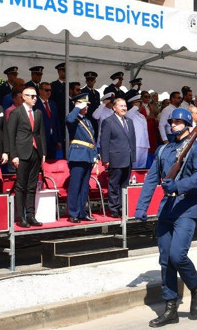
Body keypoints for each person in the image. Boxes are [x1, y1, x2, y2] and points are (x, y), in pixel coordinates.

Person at [134, 107, 197, 327]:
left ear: (187, 125)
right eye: (171, 122)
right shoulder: (163, 150)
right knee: (165, 259)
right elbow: (150, 179)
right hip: (167, 209)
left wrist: (178, 185)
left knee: (178, 255)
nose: (173, 125)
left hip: (186, 208)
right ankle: (170, 308)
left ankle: (196, 287)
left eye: (177, 122)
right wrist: (142, 206)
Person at [7, 86, 46, 228]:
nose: (35, 98)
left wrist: (43, 153)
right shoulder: (16, 113)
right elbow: (11, 135)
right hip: (22, 152)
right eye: (32, 96)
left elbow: (41, 134)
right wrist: (14, 155)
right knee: (21, 185)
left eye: (35, 96)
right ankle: (20, 216)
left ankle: (31, 215)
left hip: (35, 152)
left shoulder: (38, 113)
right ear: (24, 97)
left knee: (32, 185)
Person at [65, 92, 98, 223]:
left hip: (88, 155)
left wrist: (95, 155)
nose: (87, 107)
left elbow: (92, 140)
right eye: (84, 105)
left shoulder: (87, 121)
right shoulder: (73, 118)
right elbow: (69, 120)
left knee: (84, 187)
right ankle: (73, 213)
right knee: (75, 186)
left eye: (87, 105)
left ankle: (81, 212)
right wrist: (77, 107)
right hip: (78, 156)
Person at [100, 97, 136, 217]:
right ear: (114, 108)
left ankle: (123, 207)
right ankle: (114, 208)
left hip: (128, 158)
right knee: (114, 184)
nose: (124, 108)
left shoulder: (129, 121)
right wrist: (105, 159)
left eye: (125, 105)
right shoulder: (108, 121)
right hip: (115, 158)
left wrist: (133, 157)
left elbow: (132, 141)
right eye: (121, 106)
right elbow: (104, 141)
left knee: (125, 185)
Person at [35, 81, 60, 159]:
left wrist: (58, 140)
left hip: (53, 139)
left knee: (52, 161)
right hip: (41, 139)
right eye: (46, 90)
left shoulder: (53, 104)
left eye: (50, 90)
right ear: (40, 91)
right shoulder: (35, 104)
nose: (49, 92)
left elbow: (57, 122)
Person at [126, 94, 149, 168]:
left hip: (144, 144)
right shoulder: (130, 114)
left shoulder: (141, 116)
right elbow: (127, 116)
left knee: (142, 167)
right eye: (139, 103)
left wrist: (147, 144)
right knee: (134, 167)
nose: (141, 105)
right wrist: (135, 107)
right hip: (136, 144)